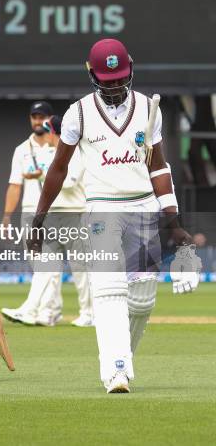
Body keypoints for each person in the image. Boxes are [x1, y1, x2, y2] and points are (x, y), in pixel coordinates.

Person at [29, 38, 200, 393]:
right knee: (107, 290)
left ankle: (122, 359)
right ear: (91, 75)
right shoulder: (78, 113)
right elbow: (58, 169)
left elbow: (158, 167)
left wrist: (174, 222)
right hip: (102, 209)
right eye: (107, 82)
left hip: (143, 209)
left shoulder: (149, 108)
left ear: (131, 70)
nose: (115, 88)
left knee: (142, 297)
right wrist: (38, 218)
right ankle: (116, 370)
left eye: (120, 79)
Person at [1, 106, 92, 327]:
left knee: (80, 267)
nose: (47, 134)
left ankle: (90, 314)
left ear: (55, 133)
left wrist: (43, 175)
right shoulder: (45, 151)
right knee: (46, 267)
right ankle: (33, 310)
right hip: (52, 217)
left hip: (74, 215)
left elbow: (69, 182)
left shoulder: (75, 151)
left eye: (49, 130)